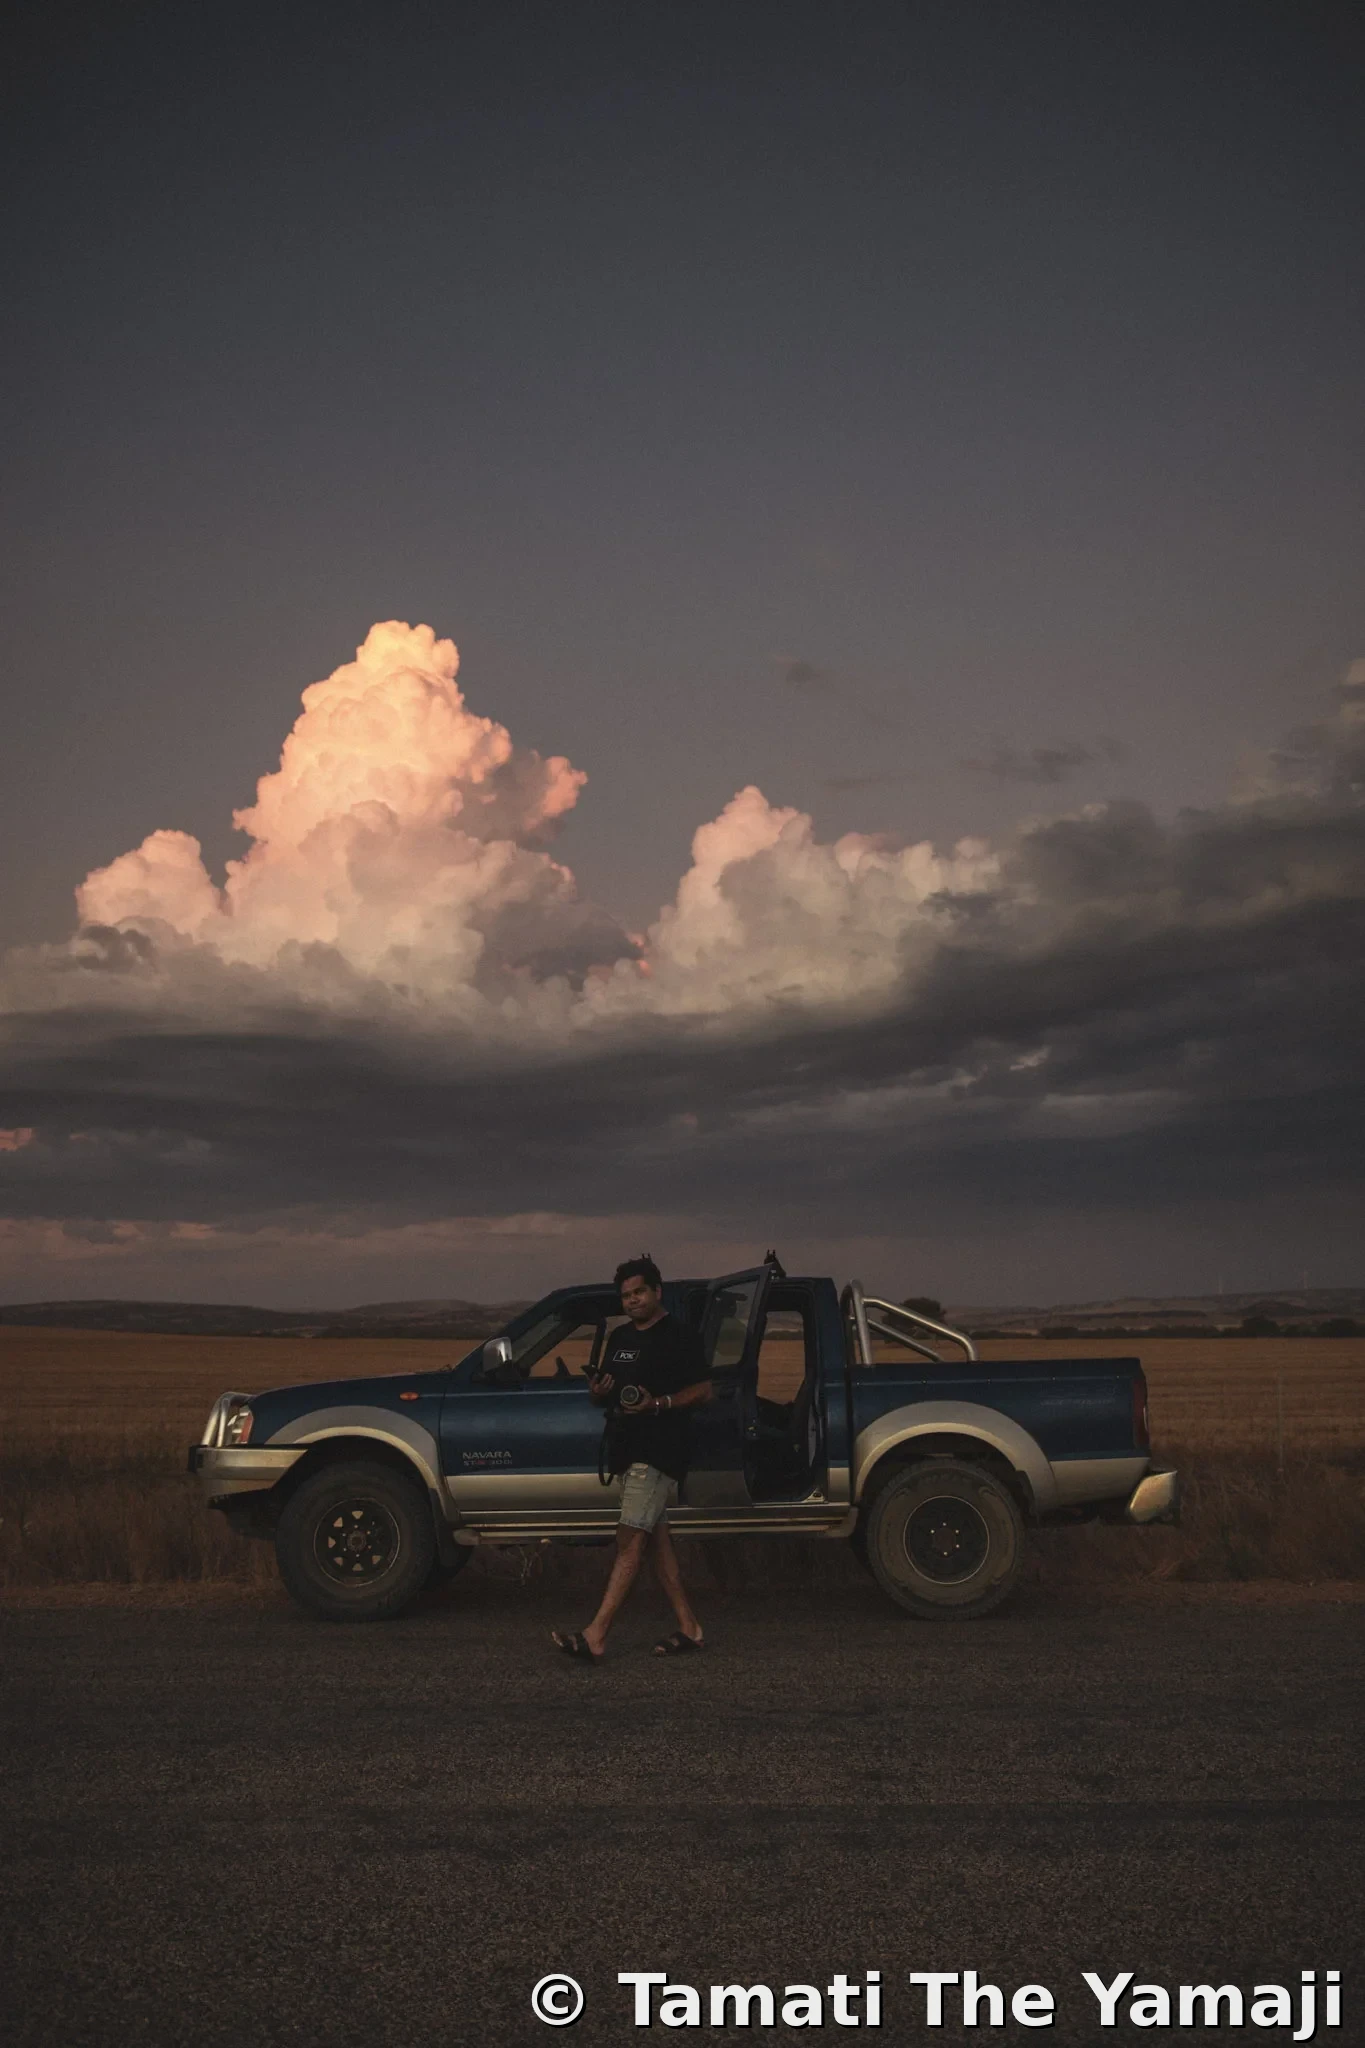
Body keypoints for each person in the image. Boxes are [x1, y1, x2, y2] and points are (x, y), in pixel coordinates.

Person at [551, 1254, 711, 1663]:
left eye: (639, 1292)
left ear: (657, 1292)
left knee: (629, 1540)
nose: (632, 1300)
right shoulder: (621, 1338)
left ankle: (596, 1635)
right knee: (657, 1544)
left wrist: (658, 1403)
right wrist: (599, 1389)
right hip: (626, 1447)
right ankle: (690, 1628)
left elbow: (704, 1390)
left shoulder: (680, 1336)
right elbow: (601, 1392)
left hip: (659, 1450)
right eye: (625, 1295)